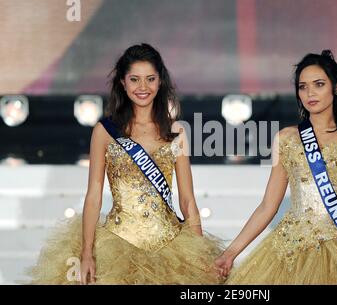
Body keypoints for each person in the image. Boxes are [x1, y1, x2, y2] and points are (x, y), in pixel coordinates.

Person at [215, 50, 337, 284]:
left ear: (336, 87)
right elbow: (268, 206)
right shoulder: (286, 138)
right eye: (303, 87)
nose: (310, 93)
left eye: (319, 84)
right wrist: (230, 253)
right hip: (291, 248)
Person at [26, 43, 223, 284]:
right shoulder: (106, 132)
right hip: (117, 243)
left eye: (150, 79)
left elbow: (187, 200)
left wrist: (198, 252)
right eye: (135, 79)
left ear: (160, 82)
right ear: (123, 82)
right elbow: (94, 195)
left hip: (171, 245)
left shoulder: (176, 131)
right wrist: (87, 252)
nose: (143, 87)